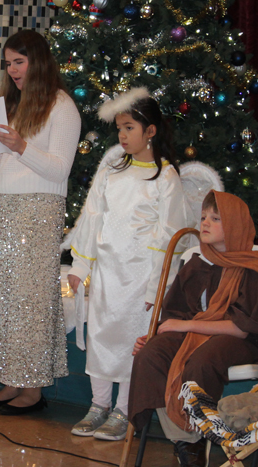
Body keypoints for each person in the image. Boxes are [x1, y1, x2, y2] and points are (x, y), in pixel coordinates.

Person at [128, 190, 258, 467]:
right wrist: (158, 337)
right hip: (198, 335)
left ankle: (199, 433)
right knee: (151, 355)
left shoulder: (253, 268)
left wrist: (184, 327)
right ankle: (188, 441)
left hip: (241, 341)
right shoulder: (197, 263)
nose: (205, 223)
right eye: (203, 217)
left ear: (235, 225)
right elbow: (175, 315)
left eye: (215, 218)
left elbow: (241, 327)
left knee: (201, 360)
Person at [65, 87, 190, 440]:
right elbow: (92, 219)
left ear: (150, 131)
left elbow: (172, 238)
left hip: (141, 279)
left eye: (129, 127)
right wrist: (80, 267)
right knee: (103, 338)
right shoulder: (111, 172)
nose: (122, 135)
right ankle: (98, 405)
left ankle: (122, 410)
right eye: (119, 128)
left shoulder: (165, 177)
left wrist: (157, 288)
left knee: (131, 343)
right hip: (108, 274)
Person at [0, 29, 81, 415]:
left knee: (30, 300)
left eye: (19, 61)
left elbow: (58, 169)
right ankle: (12, 381)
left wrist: (20, 146)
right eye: (8, 63)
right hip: (3, 209)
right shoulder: (13, 105)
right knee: (6, 296)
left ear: (38, 61)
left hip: (37, 211)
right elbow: (0, 167)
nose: (13, 70)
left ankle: (32, 389)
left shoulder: (62, 106)